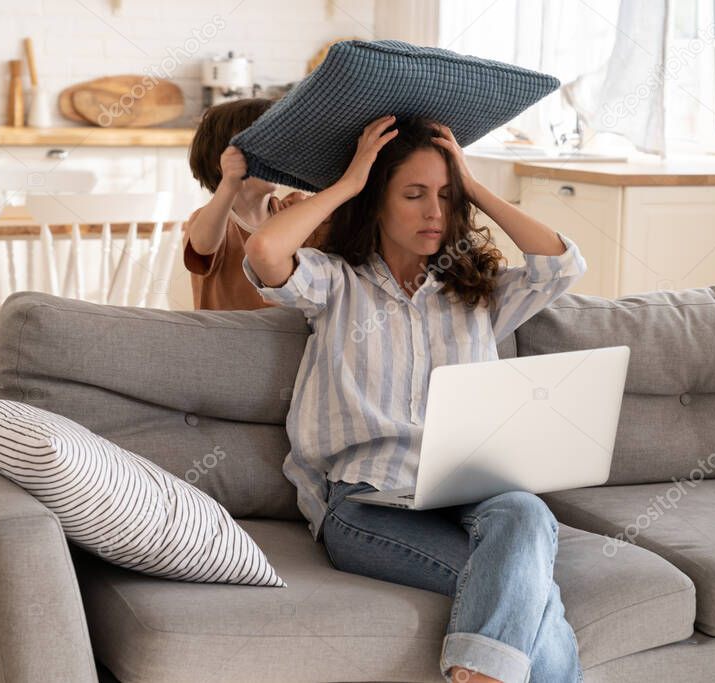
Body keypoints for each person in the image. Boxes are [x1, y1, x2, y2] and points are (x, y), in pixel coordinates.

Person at [242, 115, 588, 683]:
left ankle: (478, 675)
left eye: (446, 198)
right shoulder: (334, 284)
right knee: (530, 594)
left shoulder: (477, 292)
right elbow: (264, 250)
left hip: (468, 489)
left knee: (526, 511)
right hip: (364, 502)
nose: (435, 212)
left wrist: (473, 187)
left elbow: (561, 264)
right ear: (378, 202)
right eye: (414, 194)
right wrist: (350, 183)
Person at [183, 98, 325, 310]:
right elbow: (203, 245)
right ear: (221, 163)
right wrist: (230, 184)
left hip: (284, 339)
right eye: (262, 147)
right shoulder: (212, 221)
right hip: (227, 340)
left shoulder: (291, 212)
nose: (276, 157)